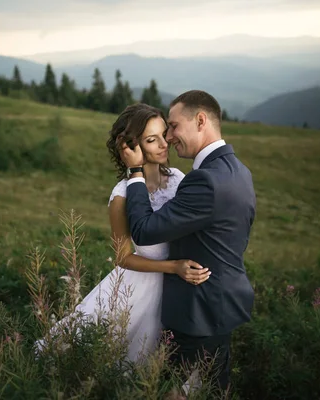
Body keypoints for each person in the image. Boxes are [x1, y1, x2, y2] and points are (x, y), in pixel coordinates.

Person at [34, 103, 210, 363]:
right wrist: (173, 267)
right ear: (130, 147)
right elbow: (123, 258)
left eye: (164, 134)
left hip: (177, 286)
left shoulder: (177, 178)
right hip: (139, 290)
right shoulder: (122, 196)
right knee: (115, 357)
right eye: (152, 140)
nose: (165, 144)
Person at [119, 90, 256, 395]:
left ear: (201, 120)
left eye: (173, 126)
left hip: (197, 310)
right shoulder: (239, 171)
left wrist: (135, 172)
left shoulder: (204, 180)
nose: (169, 137)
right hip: (223, 304)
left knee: (165, 388)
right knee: (212, 388)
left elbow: (142, 229)